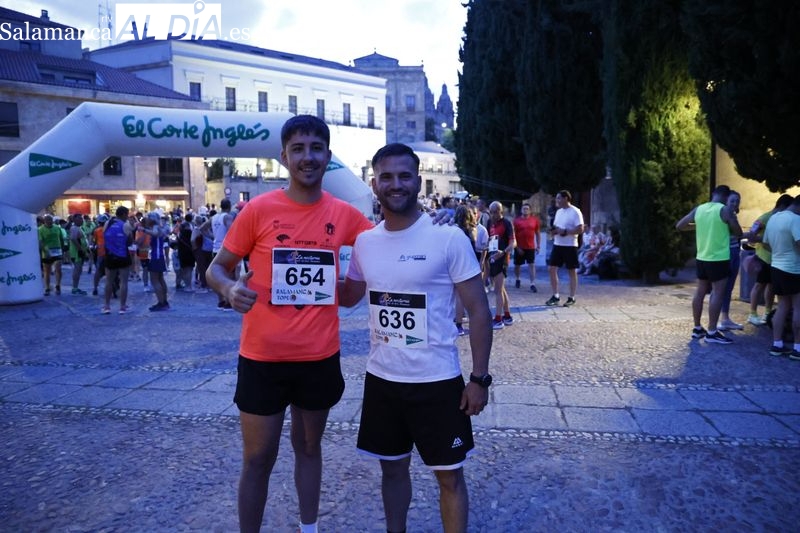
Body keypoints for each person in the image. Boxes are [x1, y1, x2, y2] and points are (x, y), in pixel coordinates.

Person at [205, 115, 375, 533]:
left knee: (309, 448)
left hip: (318, 358)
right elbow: (215, 269)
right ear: (284, 157)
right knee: (257, 458)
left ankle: (308, 528)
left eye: (316, 148)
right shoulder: (258, 210)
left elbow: (384, 249)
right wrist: (229, 290)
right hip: (262, 358)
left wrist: (353, 284)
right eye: (298, 149)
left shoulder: (345, 214)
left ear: (328, 156)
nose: (307, 157)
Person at [339, 142, 492, 533]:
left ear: (417, 180)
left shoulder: (447, 238)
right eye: (387, 177)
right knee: (391, 471)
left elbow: (479, 310)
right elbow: (347, 296)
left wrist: (479, 379)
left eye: (404, 176)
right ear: (374, 183)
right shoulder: (366, 242)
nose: (396, 184)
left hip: (437, 382)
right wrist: (286, 269)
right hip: (383, 381)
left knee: (449, 477)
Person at [675, 184, 742, 344]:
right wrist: (730, 222)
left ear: (713, 194)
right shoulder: (725, 210)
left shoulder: (699, 209)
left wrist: (701, 225)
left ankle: (697, 328)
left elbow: (680, 226)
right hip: (718, 258)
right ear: (726, 197)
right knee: (718, 293)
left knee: (699, 292)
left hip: (702, 258)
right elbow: (738, 232)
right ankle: (712, 332)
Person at [745, 194, 793, 325]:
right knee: (759, 285)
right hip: (763, 257)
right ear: (782, 206)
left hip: (775, 259)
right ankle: (752, 313)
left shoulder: (781, 219)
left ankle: (767, 312)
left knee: (771, 287)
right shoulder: (765, 218)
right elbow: (751, 235)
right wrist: (765, 240)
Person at [762, 195, 800, 359]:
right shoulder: (796, 220)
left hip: (776, 268)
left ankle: (777, 344)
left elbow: (765, 243)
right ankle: (798, 348)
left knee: (782, 306)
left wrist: (779, 252)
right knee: (798, 307)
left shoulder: (774, 218)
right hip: (794, 269)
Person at [545, 190, 584, 307]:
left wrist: (566, 232)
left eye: (559, 198)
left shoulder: (575, 211)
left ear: (566, 198)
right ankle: (555, 296)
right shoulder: (559, 212)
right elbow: (557, 226)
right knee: (551, 269)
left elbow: (580, 229)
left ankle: (571, 297)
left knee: (571, 271)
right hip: (558, 244)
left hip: (570, 245)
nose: (557, 200)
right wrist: (554, 231)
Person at [202, 198, 236, 309]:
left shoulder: (214, 217)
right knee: (229, 276)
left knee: (217, 276)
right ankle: (228, 302)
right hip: (225, 250)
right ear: (229, 206)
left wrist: (213, 237)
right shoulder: (227, 217)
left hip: (215, 249)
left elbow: (202, 228)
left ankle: (220, 301)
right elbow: (232, 231)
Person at [487, 201, 515, 329]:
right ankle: (507, 316)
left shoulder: (507, 223)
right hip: (492, 258)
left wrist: (503, 252)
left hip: (502, 259)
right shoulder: (489, 222)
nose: (493, 215)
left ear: (501, 211)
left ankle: (498, 319)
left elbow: (513, 243)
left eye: (496, 212)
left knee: (497, 290)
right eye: (491, 212)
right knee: (501, 289)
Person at [718, 191, 744, 331]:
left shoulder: (732, 215)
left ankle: (724, 318)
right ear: (726, 202)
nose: (735, 203)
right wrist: (749, 235)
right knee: (724, 288)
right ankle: (721, 320)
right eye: (732, 201)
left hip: (733, 251)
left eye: (737, 201)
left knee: (727, 288)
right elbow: (737, 233)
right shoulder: (727, 215)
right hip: (728, 253)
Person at [102, 205, 134, 314]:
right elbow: (130, 241)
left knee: (109, 281)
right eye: (127, 214)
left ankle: (106, 306)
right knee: (124, 282)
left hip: (110, 255)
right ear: (124, 214)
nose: (127, 217)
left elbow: (104, 236)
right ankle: (122, 307)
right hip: (123, 255)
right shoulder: (126, 225)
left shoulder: (107, 223)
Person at [141, 211, 170, 311]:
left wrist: (144, 230)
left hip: (155, 256)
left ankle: (161, 303)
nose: (147, 220)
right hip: (159, 256)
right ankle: (164, 301)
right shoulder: (159, 227)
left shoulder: (155, 227)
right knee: (160, 279)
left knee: (155, 280)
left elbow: (155, 233)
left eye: (148, 218)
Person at [512, 202, 541, 292]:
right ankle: (517, 279)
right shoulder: (516, 221)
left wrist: (538, 246)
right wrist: (516, 247)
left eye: (527, 209)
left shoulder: (534, 220)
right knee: (517, 265)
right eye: (524, 209)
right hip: (519, 247)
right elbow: (513, 235)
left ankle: (532, 283)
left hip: (530, 247)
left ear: (530, 210)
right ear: (521, 210)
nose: (525, 210)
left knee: (531, 265)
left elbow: (538, 233)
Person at [37, 214, 64, 296]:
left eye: (51, 220)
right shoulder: (40, 229)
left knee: (58, 268)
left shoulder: (57, 228)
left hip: (57, 250)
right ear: (44, 221)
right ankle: (47, 287)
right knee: (47, 271)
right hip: (47, 252)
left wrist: (63, 249)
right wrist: (45, 251)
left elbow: (61, 239)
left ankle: (58, 285)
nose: (50, 221)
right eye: (48, 220)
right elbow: (41, 242)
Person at [68, 213, 89, 295]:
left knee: (79, 269)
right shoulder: (74, 228)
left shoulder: (78, 228)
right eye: (79, 218)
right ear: (74, 220)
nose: (81, 220)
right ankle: (75, 288)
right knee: (77, 269)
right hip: (76, 253)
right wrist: (80, 249)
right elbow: (73, 239)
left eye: (81, 218)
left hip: (79, 252)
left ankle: (76, 287)